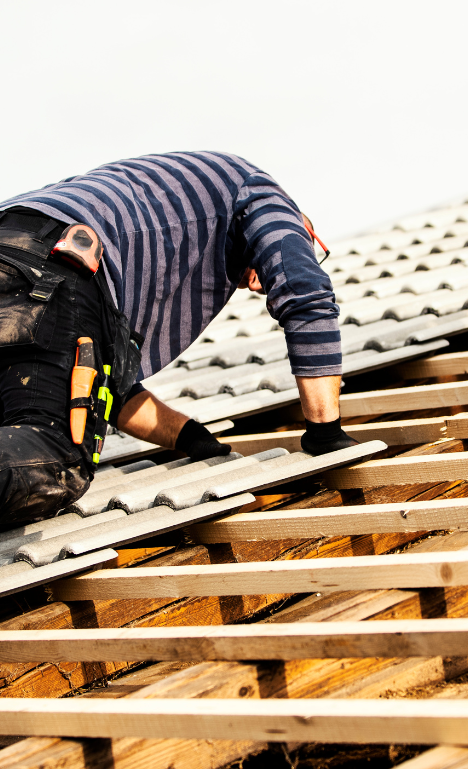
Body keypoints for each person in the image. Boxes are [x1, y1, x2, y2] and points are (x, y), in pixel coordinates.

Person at [0, 151, 352, 525]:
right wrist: (325, 433)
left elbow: (100, 387)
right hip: (55, 257)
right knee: (53, 456)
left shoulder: (163, 215)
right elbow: (305, 294)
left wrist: (187, 437)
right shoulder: (261, 193)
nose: (257, 286)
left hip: (18, 241)